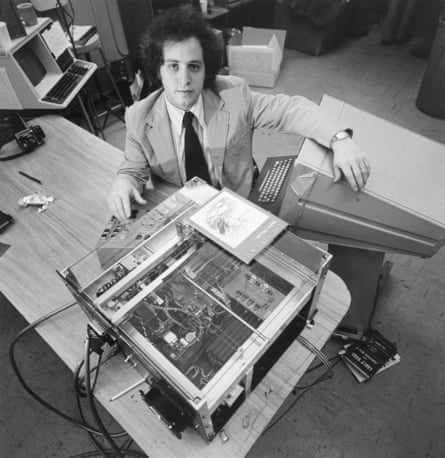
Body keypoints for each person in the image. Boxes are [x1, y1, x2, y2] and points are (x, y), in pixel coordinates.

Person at [108, 6, 370, 221]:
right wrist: (124, 182)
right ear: (158, 69)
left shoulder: (234, 95)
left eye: (194, 67)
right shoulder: (139, 118)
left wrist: (339, 139)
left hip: (239, 206)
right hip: (185, 211)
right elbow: (133, 168)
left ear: (206, 69)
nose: (184, 80)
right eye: (173, 67)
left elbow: (292, 110)